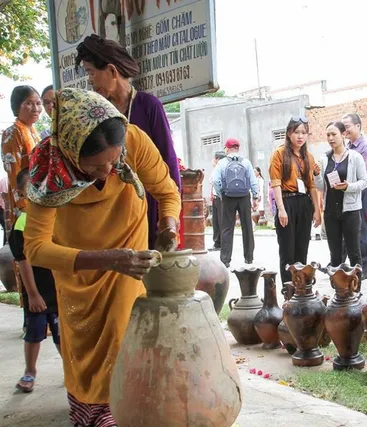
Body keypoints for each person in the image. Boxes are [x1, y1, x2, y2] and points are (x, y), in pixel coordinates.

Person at [23, 88, 181, 426]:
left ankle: (123, 414)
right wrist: (106, 259)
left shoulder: (133, 140)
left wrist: (168, 224)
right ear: (69, 150)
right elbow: (34, 247)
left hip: (130, 269)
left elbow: (167, 191)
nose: (109, 169)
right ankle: (93, 413)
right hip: (79, 273)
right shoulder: (46, 169)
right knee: (87, 356)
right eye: (95, 165)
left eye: (114, 159)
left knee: (125, 343)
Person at [75, 34, 182, 250]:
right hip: (108, 209)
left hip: (148, 203)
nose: (90, 81)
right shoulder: (96, 111)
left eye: (91, 72)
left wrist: (168, 218)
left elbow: (168, 161)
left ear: (112, 71)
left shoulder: (148, 105)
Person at [11, 168, 59, 394]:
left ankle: (73, 373)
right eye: (31, 187)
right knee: (34, 333)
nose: (38, 190)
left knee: (64, 336)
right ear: (20, 192)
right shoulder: (22, 223)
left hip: (60, 290)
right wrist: (33, 294)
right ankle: (30, 372)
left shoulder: (57, 214)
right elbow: (23, 262)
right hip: (37, 293)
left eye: (41, 184)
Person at [269, 117, 322, 285]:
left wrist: (317, 211)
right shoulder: (279, 154)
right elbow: (276, 183)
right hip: (287, 201)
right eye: (296, 132)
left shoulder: (309, 157)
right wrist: (281, 209)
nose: (300, 136)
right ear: (289, 133)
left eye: (304, 133)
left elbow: (312, 186)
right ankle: (288, 289)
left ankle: (302, 287)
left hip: (304, 203)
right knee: (287, 250)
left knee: (302, 248)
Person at [316, 121, 367, 272]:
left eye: (334, 134)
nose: (331, 138)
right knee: (335, 255)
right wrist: (316, 174)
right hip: (331, 211)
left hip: (350, 211)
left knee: (354, 253)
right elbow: (320, 186)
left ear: (343, 135)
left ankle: (355, 287)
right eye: (328, 135)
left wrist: (348, 187)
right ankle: (338, 290)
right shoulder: (324, 159)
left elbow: (365, 182)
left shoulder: (355, 157)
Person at [213, 138, 259, 267]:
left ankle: (225, 260)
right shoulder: (246, 162)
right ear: (238, 148)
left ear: (227, 149)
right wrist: (255, 196)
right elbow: (253, 181)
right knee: (247, 227)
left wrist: (221, 192)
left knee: (227, 228)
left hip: (228, 197)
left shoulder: (221, 163)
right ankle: (249, 257)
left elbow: (216, 181)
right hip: (244, 196)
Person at [2, 85, 42, 229]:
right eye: (29, 103)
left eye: (38, 103)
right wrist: (23, 206)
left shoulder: (33, 131)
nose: (35, 108)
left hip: (37, 197)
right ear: (17, 106)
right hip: (24, 202)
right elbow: (14, 173)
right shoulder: (12, 133)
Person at [342, 113, 367, 279]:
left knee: (361, 228)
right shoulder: (346, 147)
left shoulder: (365, 147)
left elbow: (366, 174)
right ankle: (345, 263)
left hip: (361, 190)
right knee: (347, 228)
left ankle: (364, 266)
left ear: (358, 126)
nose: (344, 131)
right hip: (347, 191)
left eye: (347, 127)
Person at [208, 151, 226, 251]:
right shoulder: (216, 169)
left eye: (214, 158)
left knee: (221, 221)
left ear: (217, 159)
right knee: (216, 221)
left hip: (220, 197)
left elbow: (216, 182)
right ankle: (217, 242)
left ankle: (222, 243)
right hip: (216, 197)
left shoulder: (221, 169)